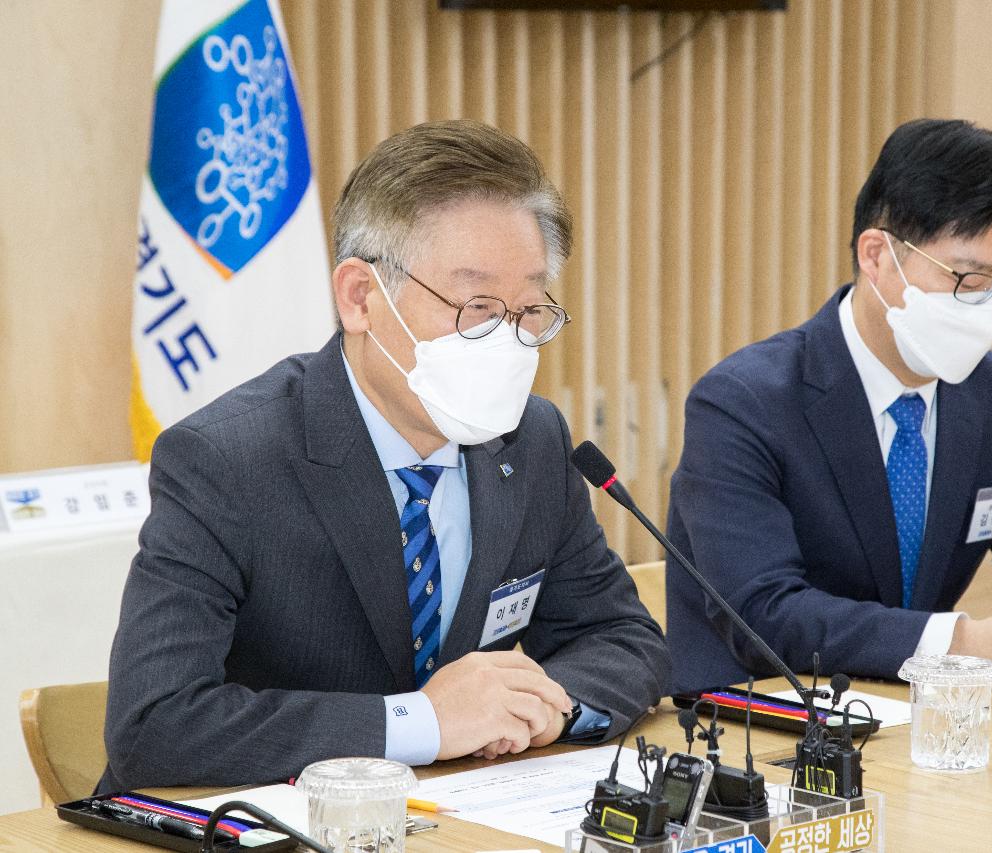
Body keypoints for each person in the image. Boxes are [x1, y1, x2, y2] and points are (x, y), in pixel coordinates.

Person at [100, 120, 669, 791]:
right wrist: (422, 723)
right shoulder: (224, 460)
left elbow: (625, 641)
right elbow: (155, 722)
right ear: (361, 297)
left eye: (531, 310)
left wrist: (545, 707)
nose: (509, 341)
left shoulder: (533, 440)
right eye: (478, 305)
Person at [665, 118, 992, 694]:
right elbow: (763, 613)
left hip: (927, 719)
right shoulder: (744, 401)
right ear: (878, 256)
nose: (991, 311)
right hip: (761, 725)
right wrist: (962, 644)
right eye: (970, 280)